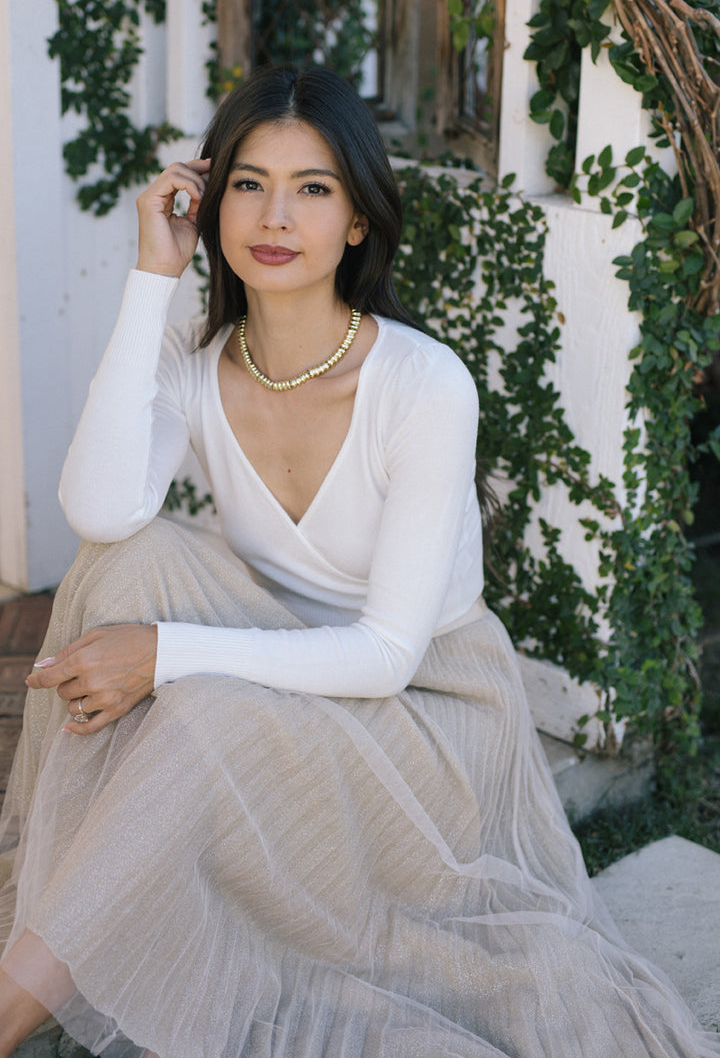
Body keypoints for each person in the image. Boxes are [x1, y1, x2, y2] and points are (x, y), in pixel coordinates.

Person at [0, 65, 716, 1058]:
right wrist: (151, 277)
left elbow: (383, 653)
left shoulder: (422, 385)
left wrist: (163, 656)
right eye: (248, 183)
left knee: (198, 703)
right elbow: (100, 506)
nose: (276, 215)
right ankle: (77, 920)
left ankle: (14, 1002)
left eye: (314, 187)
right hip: (282, 643)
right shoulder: (195, 365)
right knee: (128, 560)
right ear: (208, 208)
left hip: (426, 704)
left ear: (358, 222)